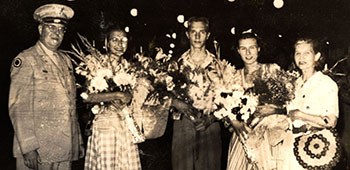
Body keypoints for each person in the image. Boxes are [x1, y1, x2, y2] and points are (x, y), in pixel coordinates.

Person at [8, 3, 84, 170]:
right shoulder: (26, 59)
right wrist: (28, 147)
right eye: (51, 27)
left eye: (60, 29)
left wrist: (76, 141)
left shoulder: (66, 60)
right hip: (39, 148)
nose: (56, 33)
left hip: (64, 145)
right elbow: (18, 106)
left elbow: (69, 104)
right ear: (40, 29)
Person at [83, 26, 142, 170]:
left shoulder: (130, 67)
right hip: (105, 125)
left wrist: (130, 96)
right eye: (114, 40)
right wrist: (115, 95)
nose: (119, 44)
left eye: (123, 40)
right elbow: (86, 97)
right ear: (106, 43)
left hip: (125, 125)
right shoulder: (96, 63)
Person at [170, 16, 222, 170]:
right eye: (194, 32)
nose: (198, 36)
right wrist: (175, 102)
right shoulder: (176, 63)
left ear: (208, 34)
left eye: (202, 32)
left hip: (209, 124)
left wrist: (210, 118)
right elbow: (164, 94)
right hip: (183, 124)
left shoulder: (217, 64)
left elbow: (226, 98)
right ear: (187, 35)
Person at [226, 32, 283, 170]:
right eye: (243, 48)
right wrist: (235, 123)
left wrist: (275, 109)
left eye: (252, 47)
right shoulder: (232, 76)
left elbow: (288, 102)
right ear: (238, 51)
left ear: (258, 48)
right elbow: (225, 108)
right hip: (243, 134)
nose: (248, 52)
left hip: (268, 134)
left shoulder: (272, 70)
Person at [282, 38, 339, 170]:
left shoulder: (326, 83)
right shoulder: (293, 83)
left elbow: (330, 122)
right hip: (289, 146)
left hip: (314, 148)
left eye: (307, 53)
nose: (301, 58)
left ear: (317, 56)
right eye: (298, 53)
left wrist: (300, 115)